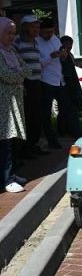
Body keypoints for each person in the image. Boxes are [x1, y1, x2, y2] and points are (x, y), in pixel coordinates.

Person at [0, 17, 32, 193]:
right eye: (8, 33)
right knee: (5, 142)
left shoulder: (11, 51)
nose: (12, 37)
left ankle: (11, 174)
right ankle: (6, 179)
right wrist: (18, 74)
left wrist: (17, 73)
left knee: (11, 141)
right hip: (3, 107)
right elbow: (7, 75)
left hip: (12, 104)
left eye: (13, 33)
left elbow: (27, 68)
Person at [36, 18, 78, 148]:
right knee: (46, 113)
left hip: (60, 81)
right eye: (47, 32)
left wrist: (63, 55)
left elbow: (62, 56)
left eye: (51, 32)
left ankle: (78, 134)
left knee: (68, 109)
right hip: (45, 81)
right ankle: (52, 140)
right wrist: (50, 57)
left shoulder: (55, 39)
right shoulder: (36, 42)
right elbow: (37, 64)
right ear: (40, 31)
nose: (49, 35)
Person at [13, 15, 47, 157]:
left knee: (37, 116)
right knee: (28, 116)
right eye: (33, 26)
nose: (36, 29)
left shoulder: (35, 42)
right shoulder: (17, 42)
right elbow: (14, 63)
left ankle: (33, 144)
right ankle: (24, 148)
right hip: (25, 83)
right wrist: (21, 83)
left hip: (37, 82)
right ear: (25, 27)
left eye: (37, 26)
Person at [57, 35, 82, 138]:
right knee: (67, 110)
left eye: (70, 46)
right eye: (66, 46)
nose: (68, 48)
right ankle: (68, 130)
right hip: (65, 85)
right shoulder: (61, 55)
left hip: (71, 85)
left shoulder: (69, 55)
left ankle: (65, 130)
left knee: (68, 110)